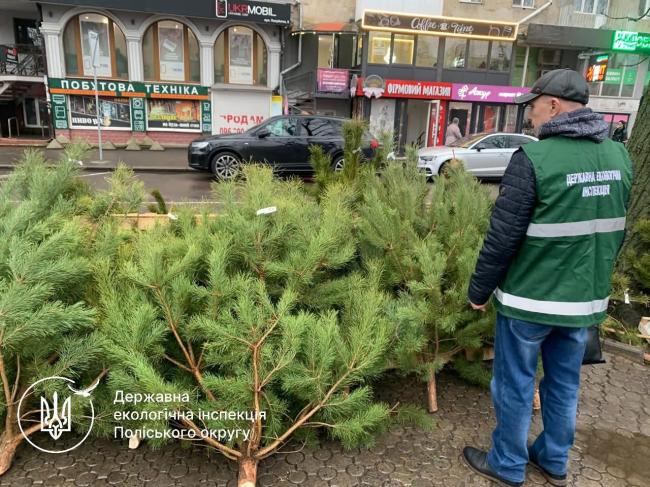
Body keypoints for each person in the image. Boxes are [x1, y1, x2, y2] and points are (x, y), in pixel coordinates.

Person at [462, 69, 633, 487]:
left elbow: (502, 237)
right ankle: (554, 460)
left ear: (553, 105)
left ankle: (507, 463)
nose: (530, 117)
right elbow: (613, 232)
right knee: (564, 383)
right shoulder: (618, 156)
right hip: (583, 303)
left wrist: (479, 290)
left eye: (533, 107)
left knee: (515, 383)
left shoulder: (534, 159)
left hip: (530, 301)